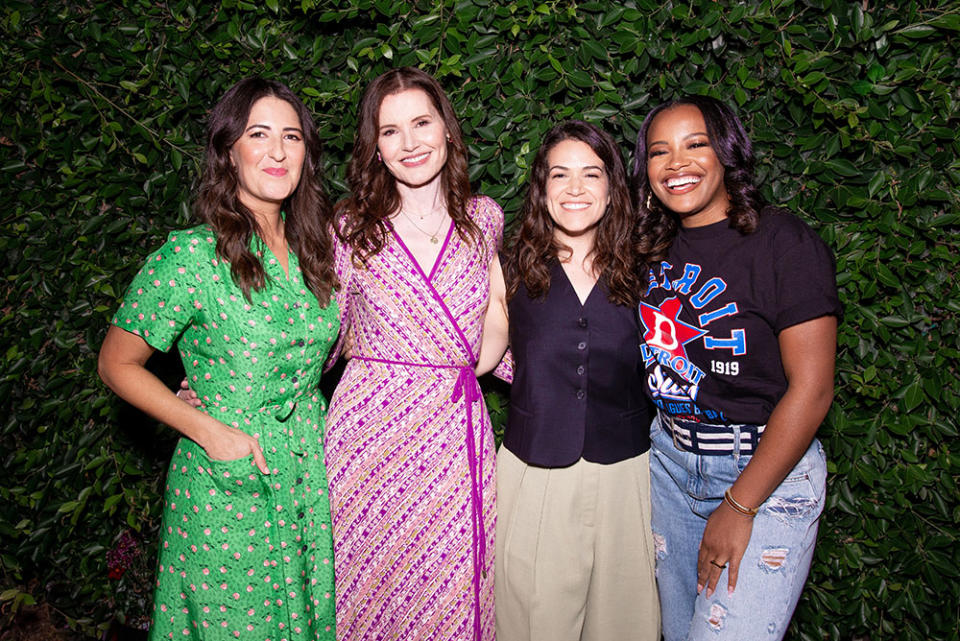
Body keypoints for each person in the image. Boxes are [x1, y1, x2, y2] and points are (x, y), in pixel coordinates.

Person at [98, 77, 339, 640]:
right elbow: (116, 363)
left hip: (305, 474)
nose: (278, 152)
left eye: (292, 136)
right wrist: (207, 429)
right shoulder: (192, 256)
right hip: (226, 477)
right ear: (229, 152)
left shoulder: (315, 251)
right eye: (259, 134)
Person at [631, 95, 840, 641]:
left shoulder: (782, 243)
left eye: (695, 144)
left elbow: (813, 390)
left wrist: (740, 506)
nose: (677, 163)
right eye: (660, 152)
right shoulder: (651, 248)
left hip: (766, 473)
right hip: (670, 469)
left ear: (726, 151)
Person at [325, 67, 502, 641]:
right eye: (390, 130)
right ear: (374, 147)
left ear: (447, 130)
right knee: (366, 593)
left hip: (452, 437)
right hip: (368, 436)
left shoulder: (485, 219)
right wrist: (242, 386)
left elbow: (501, 325)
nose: (410, 143)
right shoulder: (351, 226)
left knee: (450, 600)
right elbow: (320, 334)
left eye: (422, 123)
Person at [482, 120, 660, 641]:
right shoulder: (510, 266)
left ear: (612, 188)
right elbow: (474, 358)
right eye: (560, 175)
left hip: (625, 473)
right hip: (535, 472)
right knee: (535, 623)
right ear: (542, 188)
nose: (576, 189)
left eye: (592, 174)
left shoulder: (647, 267)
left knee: (623, 625)